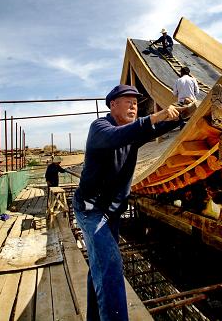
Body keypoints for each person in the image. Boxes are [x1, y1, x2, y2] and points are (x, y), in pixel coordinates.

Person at [73, 84, 181, 321]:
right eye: (128, 101)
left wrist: (181, 114)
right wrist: (156, 115)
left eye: (136, 102)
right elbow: (122, 135)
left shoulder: (133, 132)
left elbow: (157, 128)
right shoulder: (101, 128)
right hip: (90, 210)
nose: (134, 105)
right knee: (111, 265)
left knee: (99, 267)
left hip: (111, 211)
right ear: (113, 105)